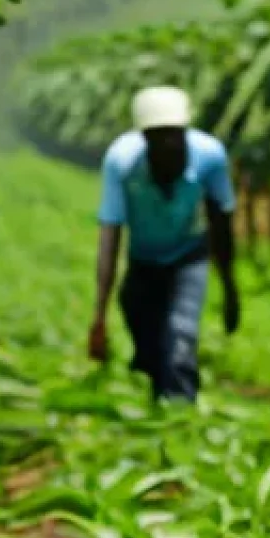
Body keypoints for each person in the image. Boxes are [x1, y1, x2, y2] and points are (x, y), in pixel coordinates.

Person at [87, 85, 240, 401]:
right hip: (142, 261)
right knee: (149, 350)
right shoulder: (122, 162)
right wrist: (99, 316)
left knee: (180, 337)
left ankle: (179, 416)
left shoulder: (209, 157)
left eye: (175, 135)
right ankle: (152, 403)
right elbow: (110, 235)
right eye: (158, 137)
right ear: (144, 139)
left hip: (187, 257)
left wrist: (230, 288)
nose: (168, 145)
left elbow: (221, 223)